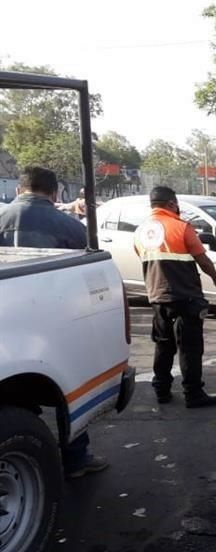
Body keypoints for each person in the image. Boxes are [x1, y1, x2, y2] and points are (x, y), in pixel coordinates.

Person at [0, 166, 108, 478]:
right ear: (55, 193)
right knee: (70, 388)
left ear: (20, 190)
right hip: (55, 322)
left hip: (6, 322)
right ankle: (76, 458)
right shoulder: (70, 227)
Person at [134, 186, 216, 408]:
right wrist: (215, 277)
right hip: (186, 297)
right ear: (172, 204)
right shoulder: (181, 227)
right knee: (190, 347)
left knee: (163, 345)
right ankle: (193, 394)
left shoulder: (141, 231)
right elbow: (201, 259)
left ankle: (161, 389)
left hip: (158, 296)